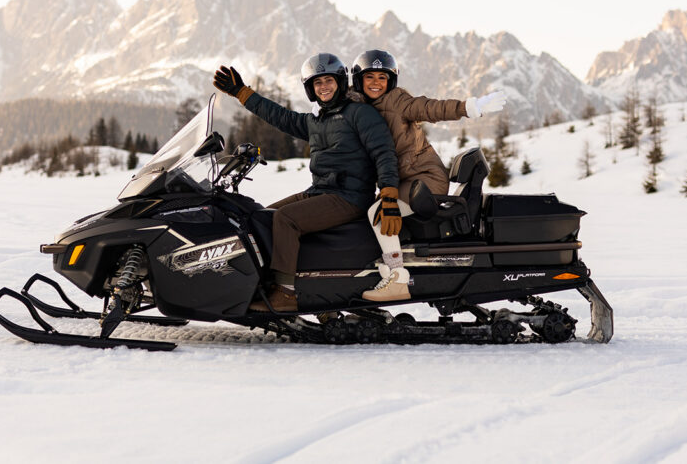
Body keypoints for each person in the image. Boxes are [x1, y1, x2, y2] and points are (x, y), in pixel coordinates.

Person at [213, 53, 401, 312]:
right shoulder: (316, 120)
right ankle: (265, 283)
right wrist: (242, 93)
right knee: (259, 217)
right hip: (321, 192)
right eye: (317, 83)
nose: (323, 87)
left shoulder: (360, 113)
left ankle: (285, 293)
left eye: (328, 81)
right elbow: (280, 116)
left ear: (339, 82)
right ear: (310, 89)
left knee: (286, 219)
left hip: (351, 196)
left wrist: (389, 194)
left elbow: (384, 153)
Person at [350, 49, 506, 302]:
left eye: (382, 77)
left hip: (423, 181)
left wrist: (468, 106)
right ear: (359, 80)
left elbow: (430, 108)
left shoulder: (398, 101)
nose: (376, 83)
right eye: (370, 77)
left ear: (391, 81)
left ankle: (397, 277)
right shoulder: (360, 106)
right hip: (401, 181)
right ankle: (386, 266)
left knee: (378, 213)